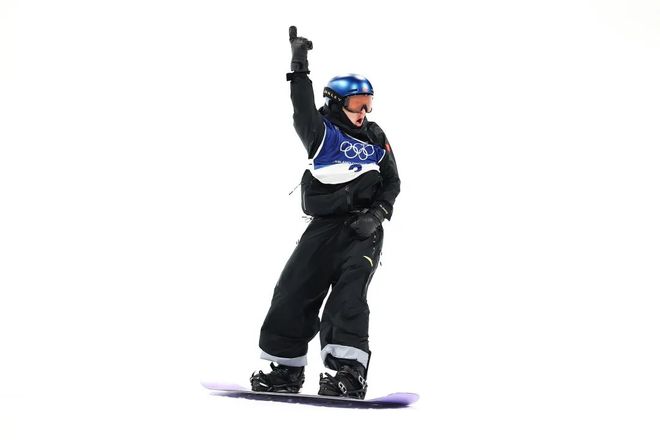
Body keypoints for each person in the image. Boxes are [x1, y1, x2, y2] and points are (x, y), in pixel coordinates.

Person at [250, 26, 401, 400]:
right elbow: (301, 107)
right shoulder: (320, 133)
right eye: (357, 104)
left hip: (363, 228)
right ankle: (286, 370)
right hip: (323, 227)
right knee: (294, 289)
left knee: (348, 298)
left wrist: (378, 214)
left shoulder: (376, 136)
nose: (364, 112)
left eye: (368, 103)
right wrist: (299, 65)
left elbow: (392, 181)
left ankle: (349, 373)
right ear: (336, 103)